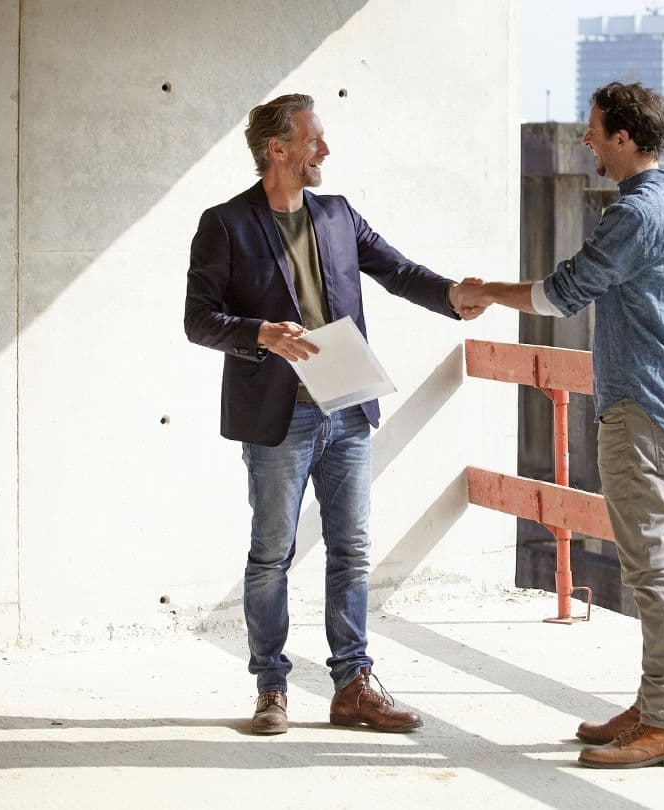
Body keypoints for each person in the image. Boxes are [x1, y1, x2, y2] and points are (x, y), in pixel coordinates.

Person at [183, 93, 487, 735]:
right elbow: (198, 320)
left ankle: (352, 685)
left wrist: (452, 295)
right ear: (278, 149)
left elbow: (397, 271)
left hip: (346, 408)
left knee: (351, 551)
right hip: (277, 416)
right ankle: (271, 688)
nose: (325, 150)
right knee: (272, 554)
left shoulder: (339, 214)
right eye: (314, 140)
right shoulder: (225, 224)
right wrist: (260, 332)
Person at [461, 81, 664, 768]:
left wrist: (487, 292)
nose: (586, 142)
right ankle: (654, 703)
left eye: (592, 131)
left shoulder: (636, 217)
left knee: (652, 571)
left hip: (641, 417)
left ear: (622, 137)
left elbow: (561, 293)